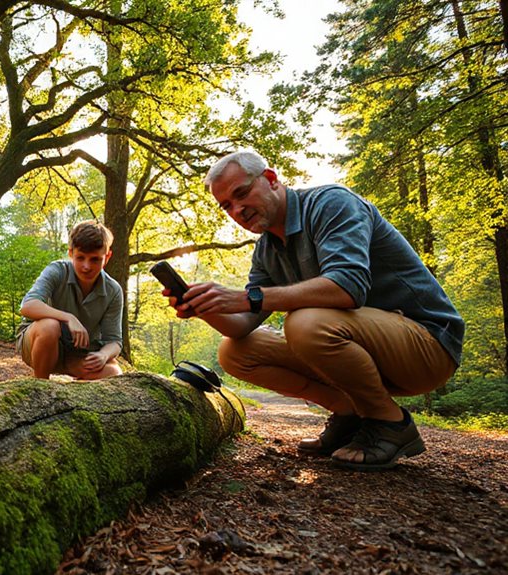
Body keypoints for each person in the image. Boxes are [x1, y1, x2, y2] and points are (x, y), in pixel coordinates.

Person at [166, 149, 463, 470]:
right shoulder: (266, 250)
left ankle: (390, 423)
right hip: (362, 349)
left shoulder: (331, 204)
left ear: (270, 179)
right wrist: (204, 307)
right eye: (226, 205)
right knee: (235, 352)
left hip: (427, 347)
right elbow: (241, 325)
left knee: (304, 322)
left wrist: (246, 297)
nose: (237, 210)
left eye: (242, 193)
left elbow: (348, 286)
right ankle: (349, 413)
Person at [17, 220, 124, 380]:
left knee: (113, 372)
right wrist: (68, 317)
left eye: (95, 259)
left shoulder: (113, 290)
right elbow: (28, 306)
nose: (86, 266)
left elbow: (114, 341)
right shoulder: (57, 271)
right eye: (80, 258)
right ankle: (41, 386)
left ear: (107, 257)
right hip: (39, 344)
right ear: (70, 253)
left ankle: (74, 391)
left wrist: (103, 355)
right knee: (49, 326)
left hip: (77, 354)